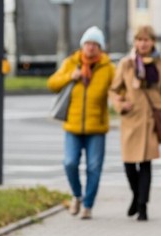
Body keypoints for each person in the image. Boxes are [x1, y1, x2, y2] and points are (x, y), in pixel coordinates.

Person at [110, 25, 161, 221]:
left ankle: (143, 206)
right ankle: (136, 196)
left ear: (153, 42)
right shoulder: (126, 63)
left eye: (146, 40)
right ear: (135, 42)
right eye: (139, 40)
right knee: (128, 164)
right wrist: (120, 104)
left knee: (145, 164)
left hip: (151, 120)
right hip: (130, 119)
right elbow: (113, 90)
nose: (143, 43)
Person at [47, 26, 115, 220]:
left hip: (97, 127)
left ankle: (88, 205)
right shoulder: (72, 63)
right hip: (73, 125)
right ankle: (77, 195)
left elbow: (119, 88)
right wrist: (71, 76)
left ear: (100, 48)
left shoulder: (108, 68)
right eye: (88, 43)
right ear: (82, 45)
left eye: (95, 44)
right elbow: (52, 84)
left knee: (94, 167)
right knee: (69, 163)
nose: (91, 48)